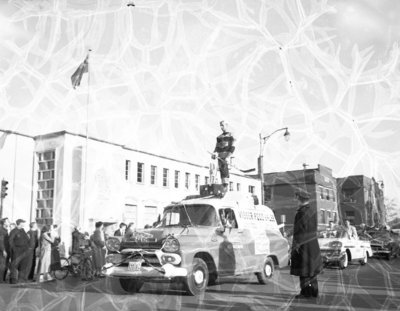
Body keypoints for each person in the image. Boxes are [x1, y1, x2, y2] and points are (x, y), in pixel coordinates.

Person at [290, 189, 322, 299]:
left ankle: (305, 293)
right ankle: (314, 292)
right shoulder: (312, 211)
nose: (296, 200)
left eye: (297, 198)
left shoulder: (301, 212)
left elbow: (301, 231)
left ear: (300, 199)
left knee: (303, 270)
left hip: (304, 246)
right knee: (311, 270)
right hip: (313, 245)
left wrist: (297, 244)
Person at [211, 121, 235, 191]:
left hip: (227, 156)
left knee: (225, 172)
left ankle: (225, 188)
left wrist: (228, 156)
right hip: (220, 157)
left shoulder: (231, 135)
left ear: (227, 125)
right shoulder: (219, 137)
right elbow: (217, 148)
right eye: (220, 125)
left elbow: (233, 147)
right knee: (222, 172)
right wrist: (214, 153)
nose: (221, 127)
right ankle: (223, 188)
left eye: (223, 125)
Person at [9, 219, 30, 284]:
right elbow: (10, 241)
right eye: (23, 222)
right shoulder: (14, 231)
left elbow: (27, 239)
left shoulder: (23, 230)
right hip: (17, 250)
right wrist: (14, 249)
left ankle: (21, 279)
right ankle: (13, 279)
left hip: (24, 250)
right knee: (15, 265)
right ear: (20, 223)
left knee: (23, 264)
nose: (24, 224)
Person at [0, 219, 10, 283]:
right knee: (2, 265)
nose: (9, 222)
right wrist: (3, 250)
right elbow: (1, 241)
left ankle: (3, 278)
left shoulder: (5, 230)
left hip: (6, 249)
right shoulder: (1, 231)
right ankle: (1, 279)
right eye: (7, 221)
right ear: (4, 223)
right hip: (3, 251)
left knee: (5, 264)